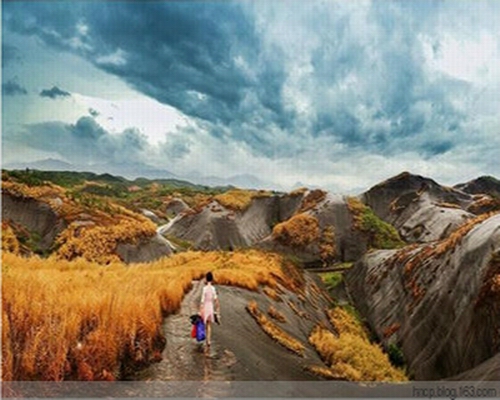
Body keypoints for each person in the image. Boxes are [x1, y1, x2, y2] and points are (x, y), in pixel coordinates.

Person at [199, 271, 220, 348]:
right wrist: (217, 310)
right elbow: (216, 300)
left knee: (204, 324)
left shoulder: (204, 289)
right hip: (210, 307)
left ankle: (204, 339)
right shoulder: (213, 289)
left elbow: (202, 300)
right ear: (212, 279)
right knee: (209, 325)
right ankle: (209, 341)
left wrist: (200, 311)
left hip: (205, 307)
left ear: (206, 279)